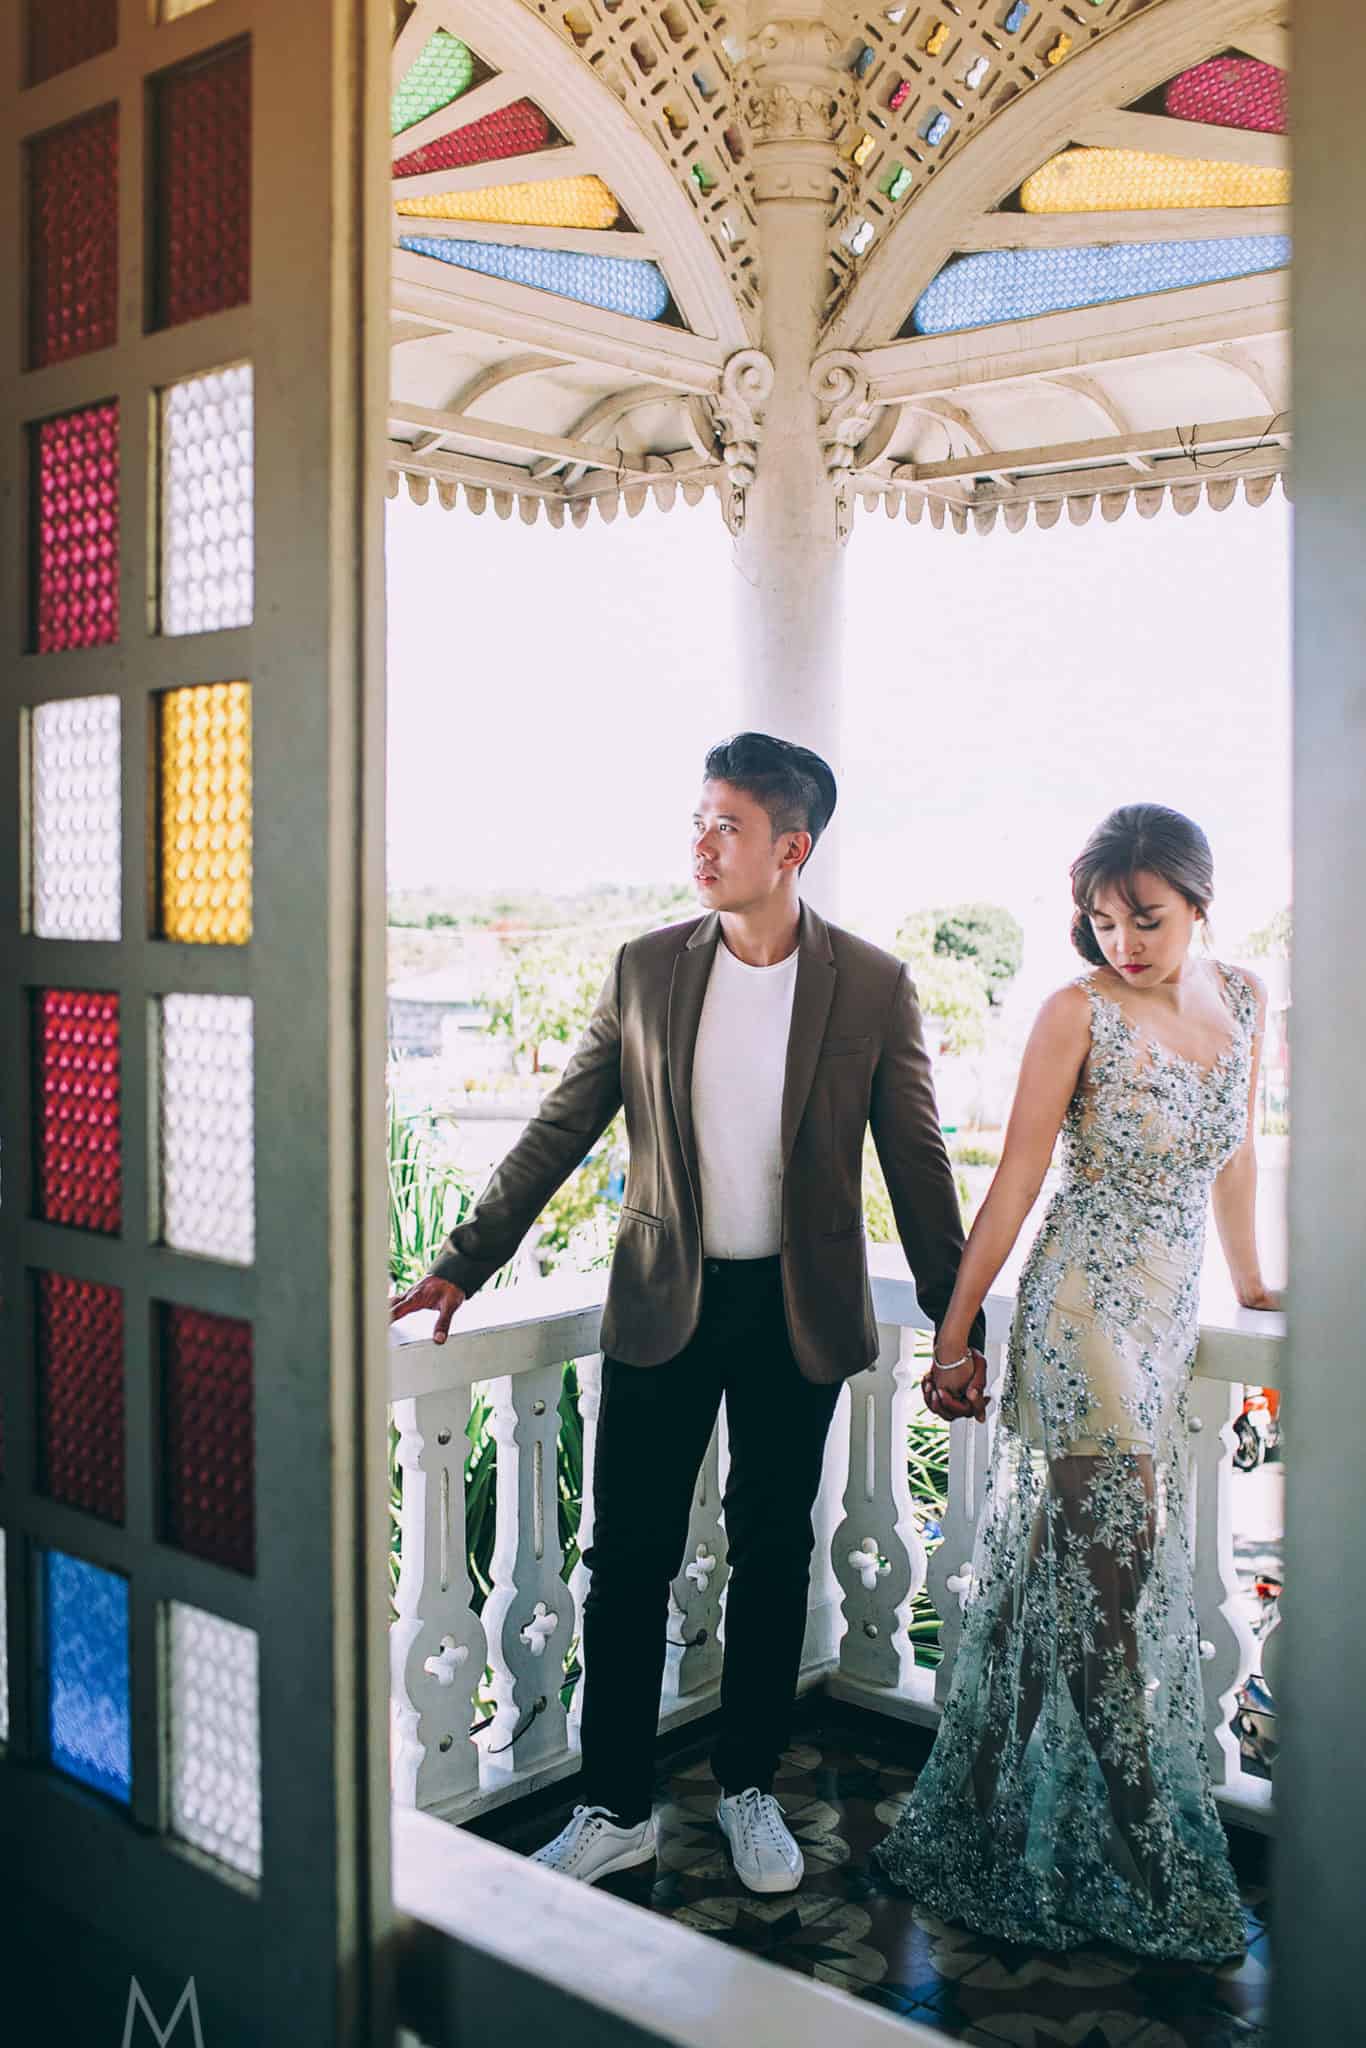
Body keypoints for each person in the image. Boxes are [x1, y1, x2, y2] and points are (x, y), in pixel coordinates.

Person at [390, 732, 983, 1893]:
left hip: (797, 1309)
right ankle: (614, 1804)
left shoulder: (871, 983)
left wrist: (951, 1323)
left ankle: (749, 1785)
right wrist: (464, 1260)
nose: (702, 844)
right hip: (666, 1300)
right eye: (697, 820)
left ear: (791, 848)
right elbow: (560, 1126)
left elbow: (916, 1161)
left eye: (728, 825)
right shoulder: (646, 966)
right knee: (625, 1559)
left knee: (771, 1551)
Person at [873, 803, 1280, 1960]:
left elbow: (1236, 1155)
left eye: (1144, 917)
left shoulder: (1244, 998)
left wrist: (1253, 1284)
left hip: (1166, 1321)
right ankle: (1147, 1845)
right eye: (1102, 919)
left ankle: (973, 1803)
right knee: (1112, 1586)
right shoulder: (1075, 1011)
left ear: (1197, 901)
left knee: (1049, 1587)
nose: (1122, 941)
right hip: (1080, 1313)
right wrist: (955, 1332)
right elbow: (1013, 1179)